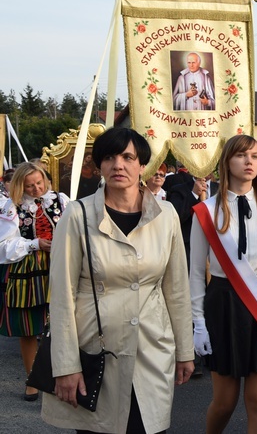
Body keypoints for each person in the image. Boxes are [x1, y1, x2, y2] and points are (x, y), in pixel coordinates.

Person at [42, 127, 194, 433]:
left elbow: (176, 288)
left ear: (142, 165)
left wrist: (185, 351)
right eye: (109, 157)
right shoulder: (77, 215)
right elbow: (62, 296)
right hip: (95, 352)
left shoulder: (166, 215)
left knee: (149, 426)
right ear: (99, 166)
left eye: (128, 157)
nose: (118, 165)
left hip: (152, 348)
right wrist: (65, 365)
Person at [189, 135, 257, 433]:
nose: (249, 162)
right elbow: (196, 272)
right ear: (227, 161)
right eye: (241, 155)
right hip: (223, 303)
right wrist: (198, 323)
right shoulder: (206, 211)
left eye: (255, 157)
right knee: (225, 402)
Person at [0, 162, 69, 401]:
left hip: (60, 265)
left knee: (63, 324)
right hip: (28, 268)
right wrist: (34, 243)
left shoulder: (61, 200)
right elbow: (3, 247)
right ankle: (32, 379)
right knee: (28, 327)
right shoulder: (11, 208)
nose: (36, 188)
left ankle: (62, 377)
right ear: (20, 185)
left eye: (39, 183)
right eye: (30, 185)